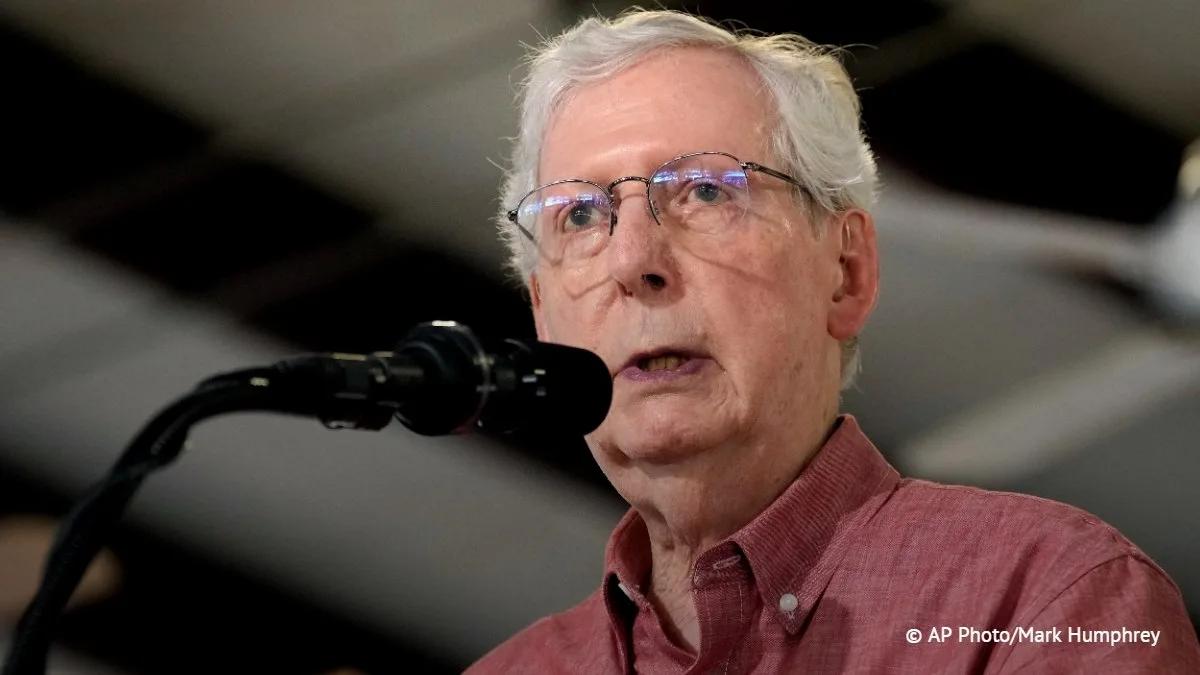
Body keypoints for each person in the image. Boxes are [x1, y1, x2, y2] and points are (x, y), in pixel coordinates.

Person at [466, 8, 1200, 674]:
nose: (631, 261)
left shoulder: (1042, 599)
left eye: (707, 191)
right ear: (544, 318)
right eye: (579, 216)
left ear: (846, 273)